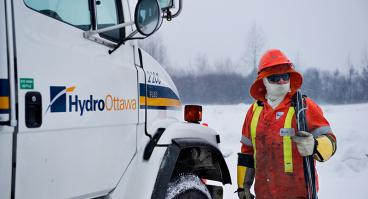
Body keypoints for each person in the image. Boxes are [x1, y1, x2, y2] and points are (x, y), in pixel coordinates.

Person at [236, 49, 337, 199]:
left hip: (300, 195)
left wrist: (315, 145)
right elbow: (247, 152)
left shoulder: (304, 107)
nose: (282, 81)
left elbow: (331, 142)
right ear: (263, 81)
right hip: (264, 195)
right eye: (275, 78)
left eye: (285, 76)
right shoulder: (254, 111)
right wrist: (243, 186)